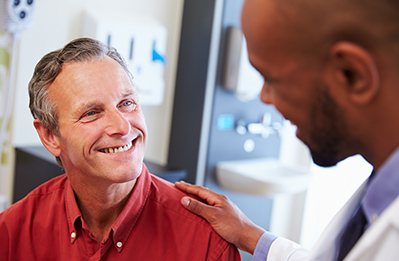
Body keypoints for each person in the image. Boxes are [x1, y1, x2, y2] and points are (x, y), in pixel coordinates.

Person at [175, 0, 399, 260]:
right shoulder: (380, 195)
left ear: (353, 74)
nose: (264, 98)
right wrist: (248, 234)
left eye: (271, 79)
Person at [0, 38, 241, 261]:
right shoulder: (13, 231)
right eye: (91, 113)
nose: (122, 126)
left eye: (127, 103)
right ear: (50, 136)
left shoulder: (207, 241)